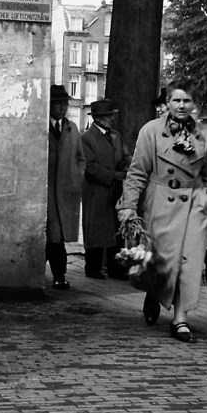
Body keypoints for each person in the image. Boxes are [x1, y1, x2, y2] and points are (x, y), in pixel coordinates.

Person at [117, 77, 207, 343]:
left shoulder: (204, 134)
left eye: (186, 100)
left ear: (194, 104)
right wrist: (129, 207)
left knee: (189, 264)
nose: (181, 105)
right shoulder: (151, 131)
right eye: (176, 100)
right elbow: (137, 173)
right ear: (167, 103)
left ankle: (180, 319)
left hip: (194, 204)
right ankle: (154, 292)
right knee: (163, 262)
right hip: (160, 201)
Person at [81, 98, 131, 280]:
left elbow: (125, 155)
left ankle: (115, 268)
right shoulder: (86, 138)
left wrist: (127, 165)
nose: (112, 119)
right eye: (109, 116)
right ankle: (92, 268)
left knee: (116, 229)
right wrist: (115, 176)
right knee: (96, 229)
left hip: (115, 190)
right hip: (96, 191)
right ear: (99, 118)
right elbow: (90, 168)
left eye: (112, 115)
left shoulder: (116, 135)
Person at [46, 85, 86, 290]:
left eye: (65, 104)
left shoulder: (72, 129)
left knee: (57, 235)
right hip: (45, 190)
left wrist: (77, 178)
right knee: (53, 236)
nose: (62, 107)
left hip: (66, 191)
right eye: (57, 103)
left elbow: (81, 157)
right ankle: (58, 275)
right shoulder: (41, 127)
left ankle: (58, 275)